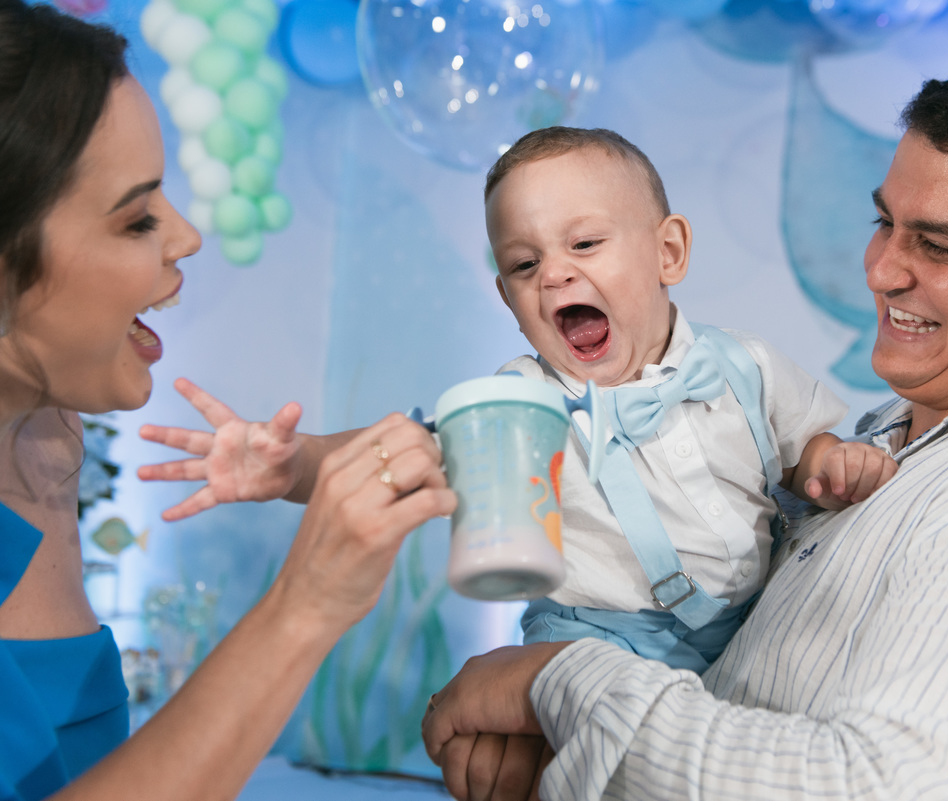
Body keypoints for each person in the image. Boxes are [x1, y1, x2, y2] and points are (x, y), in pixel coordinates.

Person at [420, 56, 948, 801]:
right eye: (884, 222)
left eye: (938, 245)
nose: (880, 269)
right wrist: (563, 752)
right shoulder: (890, 442)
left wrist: (557, 680)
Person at [138, 126, 898, 676]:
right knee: (594, 744)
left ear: (668, 251)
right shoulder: (520, 402)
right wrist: (293, 464)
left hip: (750, 625)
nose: (555, 274)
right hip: (596, 640)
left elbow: (804, 449)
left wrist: (832, 463)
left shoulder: (744, 366)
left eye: (585, 244)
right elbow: (401, 452)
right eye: (525, 264)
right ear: (507, 298)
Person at [0, 3, 456, 799]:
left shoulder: (42, 428)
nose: (186, 237)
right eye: (137, 218)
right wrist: (305, 604)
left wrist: (303, 465)